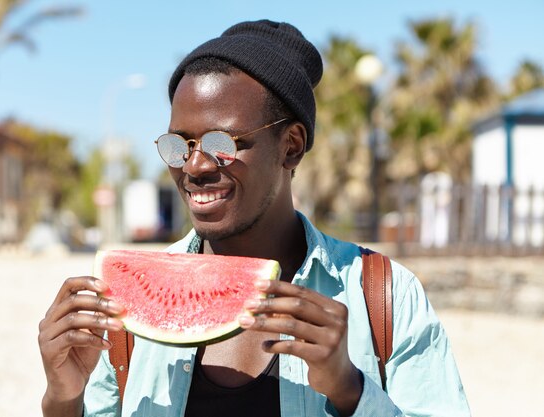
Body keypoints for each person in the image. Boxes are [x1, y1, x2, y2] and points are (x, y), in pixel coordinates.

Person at [39, 20, 470, 417]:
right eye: (179, 144)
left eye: (221, 143)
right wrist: (63, 397)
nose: (194, 166)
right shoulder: (126, 313)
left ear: (292, 146)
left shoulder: (385, 297)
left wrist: (350, 390)